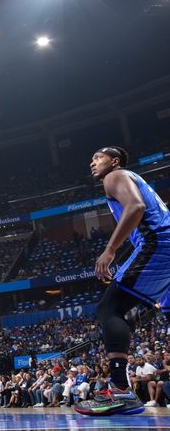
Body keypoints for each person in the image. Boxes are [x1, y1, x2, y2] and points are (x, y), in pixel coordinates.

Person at [75, 146, 170, 416]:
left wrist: (110, 249)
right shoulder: (133, 178)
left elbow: (136, 207)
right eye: (91, 158)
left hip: (159, 244)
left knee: (110, 308)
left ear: (114, 161)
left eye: (98, 158)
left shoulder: (114, 177)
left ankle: (121, 391)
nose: (93, 162)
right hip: (162, 244)